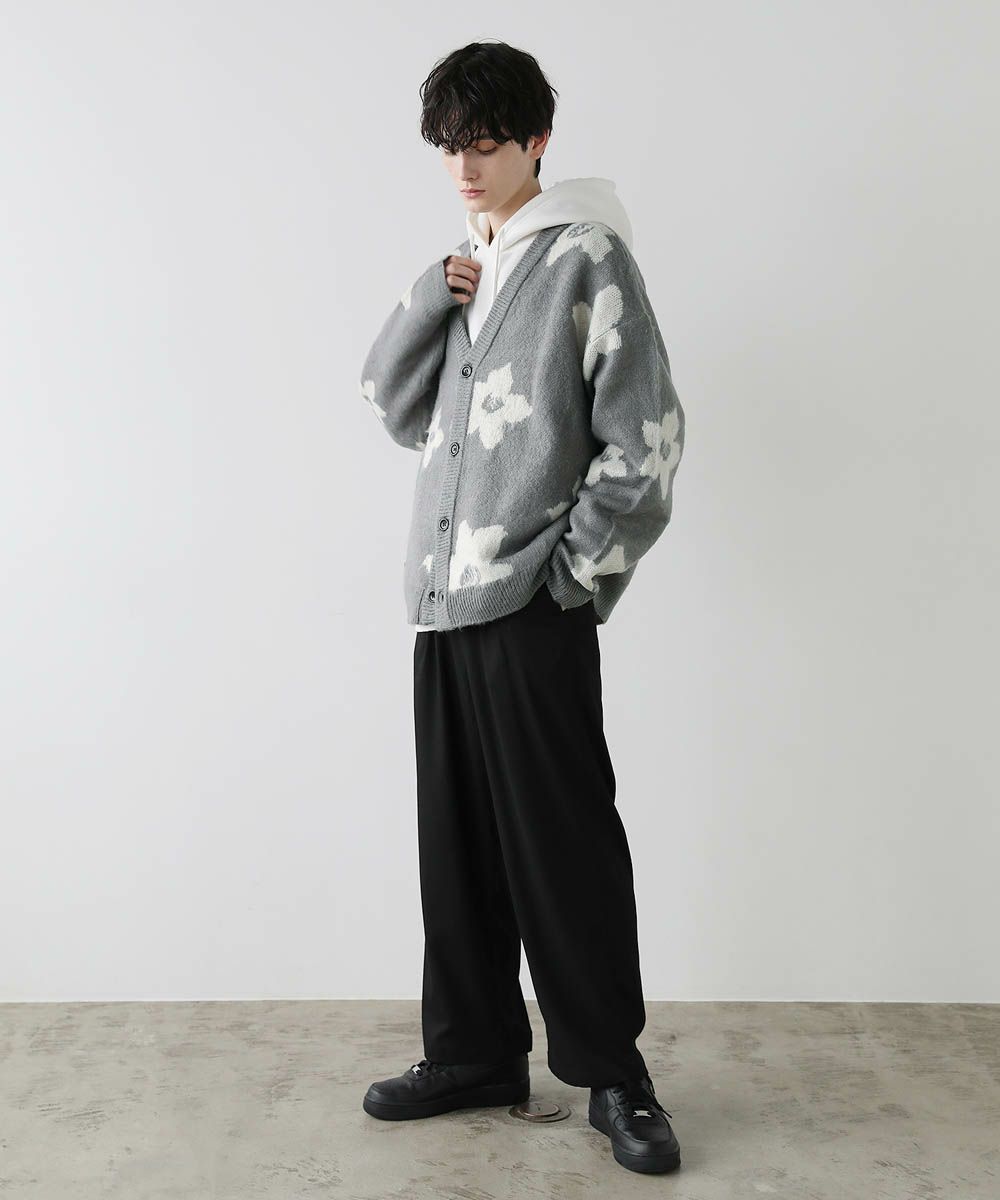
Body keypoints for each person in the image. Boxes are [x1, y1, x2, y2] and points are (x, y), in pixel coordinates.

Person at [356, 40, 685, 1176]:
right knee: (455, 849)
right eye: (451, 146)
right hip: (442, 603)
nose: (465, 167)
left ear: (537, 140)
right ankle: (475, 1053)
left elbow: (646, 440)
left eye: (487, 144)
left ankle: (614, 1072)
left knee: (563, 844)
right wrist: (427, 296)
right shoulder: (467, 267)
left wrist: (571, 577)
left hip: (532, 601)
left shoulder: (586, 258)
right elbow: (393, 408)